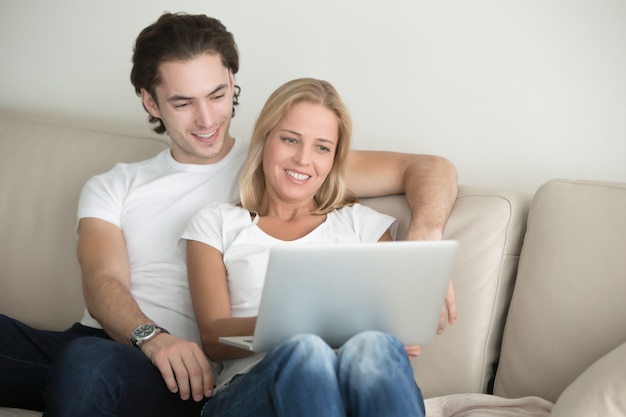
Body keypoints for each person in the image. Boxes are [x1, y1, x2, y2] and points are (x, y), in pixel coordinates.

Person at [0, 12, 456, 417]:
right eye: (182, 103)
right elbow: (103, 281)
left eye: (217, 95)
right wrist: (153, 338)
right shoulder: (115, 185)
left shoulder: (283, 162)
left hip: (194, 371)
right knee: (82, 357)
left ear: (233, 82)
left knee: (85, 365)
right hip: (126, 343)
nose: (206, 119)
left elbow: (430, 168)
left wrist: (425, 237)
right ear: (150, 102)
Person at [182, 77, 426, 417]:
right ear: (265, 138)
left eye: (321, 147)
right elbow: (213, 337)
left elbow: (392, 329)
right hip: (250, 391)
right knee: (306, 349)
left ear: (333, 159)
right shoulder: (217, 223)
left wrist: (396, 332)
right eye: (290, 140)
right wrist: (301, 323)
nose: (302, 159)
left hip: (355, 386)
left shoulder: (361, 225)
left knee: (375, 344)